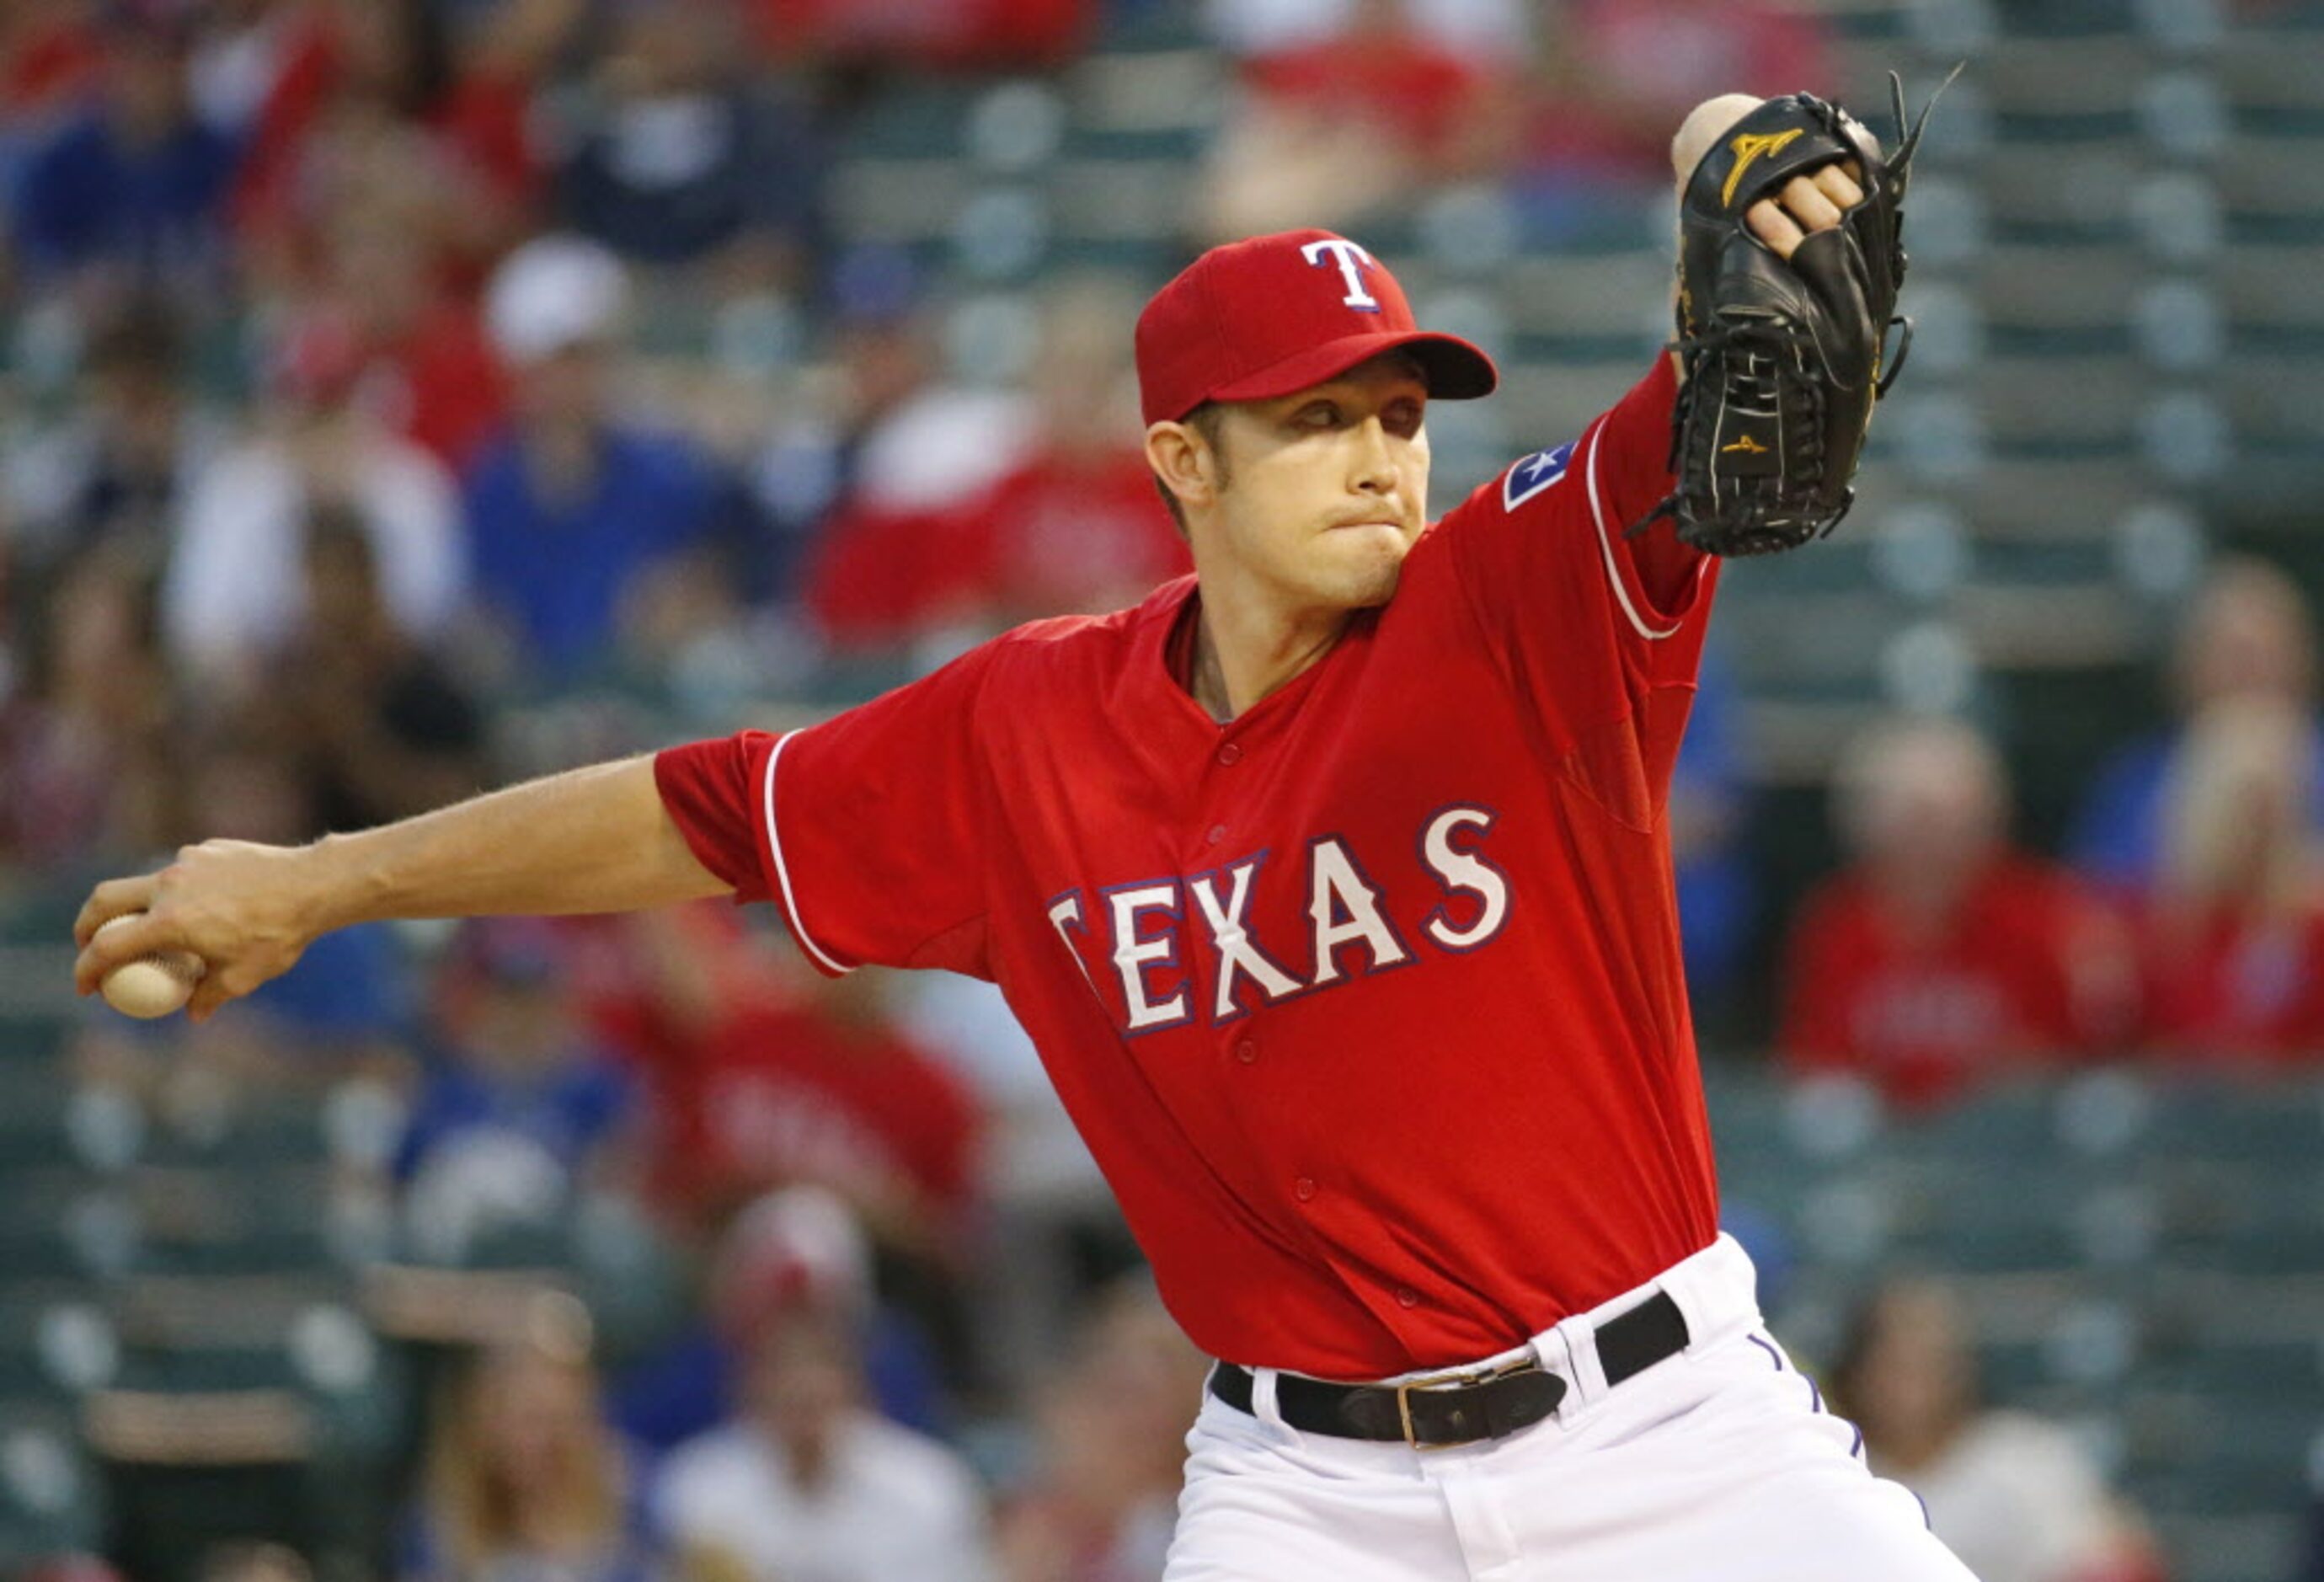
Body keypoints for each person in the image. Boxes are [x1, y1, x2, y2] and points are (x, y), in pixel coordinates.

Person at [77, 94, 1984, 1580]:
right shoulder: (1023, 732)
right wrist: (317, 882)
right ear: (1180, 463)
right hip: (1308, 1487)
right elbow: (691, 816)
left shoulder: (1517, 602)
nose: (1384, 455)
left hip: (1662, 1426)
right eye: (1319, 418)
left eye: (1402, 410)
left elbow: (1724, 425)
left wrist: (1724, 145)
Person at [1779, 716, 2134, 1109]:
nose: (1930, 849)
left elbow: (2071, 1058)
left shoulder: (2043, 917)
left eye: (1951, 826)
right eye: (1912, 826)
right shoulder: (1836, 925)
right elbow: (1818, 1064)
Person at [1827, 1278, 2165, 1582]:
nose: (1915, 1387)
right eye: (1896, 1364)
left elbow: (2113, 1563)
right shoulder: (1835, 1468)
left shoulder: (2024, 1456)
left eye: (1933, 1361)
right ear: (1858, 1370)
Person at [2070, 555, 2324, 893]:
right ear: (2185, 668)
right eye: (2232, 654)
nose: (2248, 673)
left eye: (2265, 653)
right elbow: (2094, 909)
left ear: (2305, 659)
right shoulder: (2133, 783)